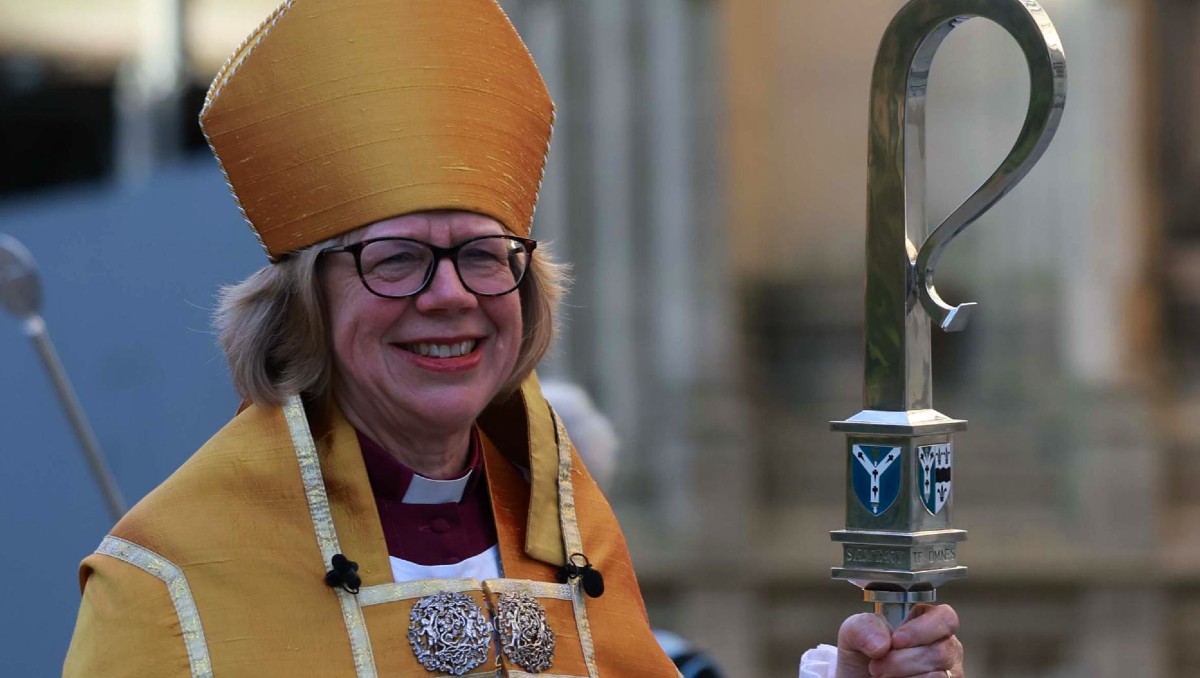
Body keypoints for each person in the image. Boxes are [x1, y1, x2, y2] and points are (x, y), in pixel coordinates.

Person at [62, 1, 964, 676]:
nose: (450, 295)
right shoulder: (164, 590)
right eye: (396, 259)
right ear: (304, 301)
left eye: (485, 257)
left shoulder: (571, 542)